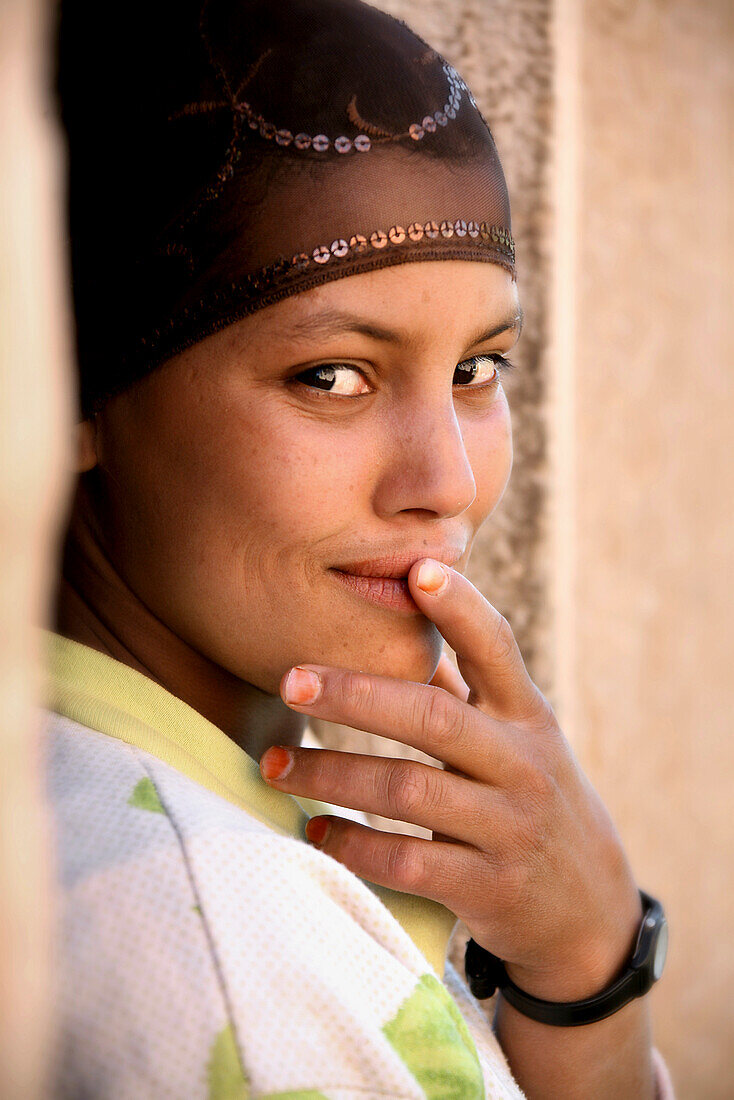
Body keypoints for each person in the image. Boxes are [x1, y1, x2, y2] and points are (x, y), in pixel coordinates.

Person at [46, 0, 675, 1096]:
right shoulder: (223, 944)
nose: (442, 483)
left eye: (478, 368)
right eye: (331, 375)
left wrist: (577, 969)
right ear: (75, 391)